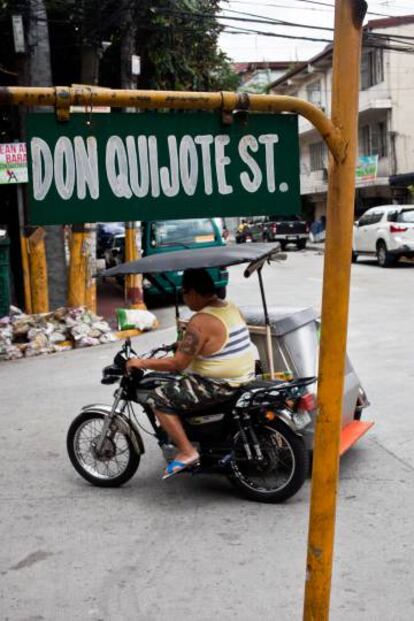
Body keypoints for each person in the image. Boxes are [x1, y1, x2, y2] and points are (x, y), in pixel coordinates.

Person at [126, 268, 255, 479]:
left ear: (193, 292)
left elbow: (177, 364)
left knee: (158, 399)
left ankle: (187, 451)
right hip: (244, 375)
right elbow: (218, 341)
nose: (185, 300)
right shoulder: (230, 306)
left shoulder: (201, 320)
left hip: (218, 383)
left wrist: (140, 362)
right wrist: (184, 343)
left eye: (184, 294)